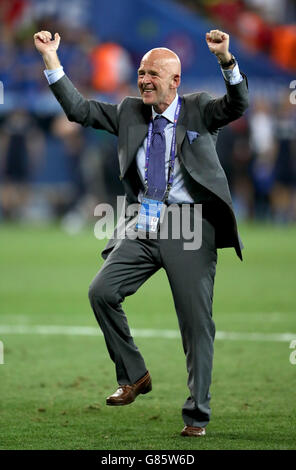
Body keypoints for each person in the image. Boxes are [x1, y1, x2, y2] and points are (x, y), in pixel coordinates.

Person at [34, 28, 248, 437]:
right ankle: (134, 375)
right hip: (146, 221)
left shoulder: (200, 109)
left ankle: (196, 416)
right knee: (102, 292)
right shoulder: (130, 111)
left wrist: (226, 60)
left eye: (153, 74)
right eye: (141, 73)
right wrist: (51, 60)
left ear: (175, 81)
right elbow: (79, 110)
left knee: (195, 323)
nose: (144, 80)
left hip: (189, 226)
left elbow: (238, 102)